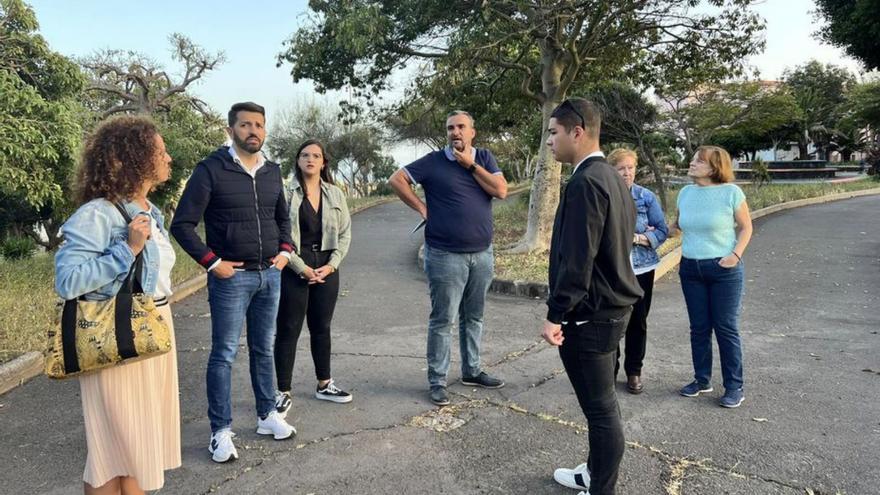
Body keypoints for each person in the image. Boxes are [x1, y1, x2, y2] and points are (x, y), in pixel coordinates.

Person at [55, 115, 180, 494]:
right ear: (135, 158)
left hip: (153, 329)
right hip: (115, 335)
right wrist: (126, 249)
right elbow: (68, 281)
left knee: (137, 451)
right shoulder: (98, 214)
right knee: (111, 454)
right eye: (160, 151)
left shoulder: (150, 212)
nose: (169, 157)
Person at [170, 102, 296, 463]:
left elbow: (281, 218)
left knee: (263, 348)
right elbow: (182, 224)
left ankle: (266, 415)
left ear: (265, 131)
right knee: (224, 354)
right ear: (230, 130)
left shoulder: (272, 171)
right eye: (245, 125)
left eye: (258, 125)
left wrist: (285, 251)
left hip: (269, 274)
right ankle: (220, 431)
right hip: (231, 279)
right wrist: (212, 263)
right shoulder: (211, 170)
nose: (253, 131)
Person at [541, 99, 644, 495]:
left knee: (601, 411)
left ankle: (601, 488)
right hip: (613, 309)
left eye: (554, 132)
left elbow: (577, 259)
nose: (550, 141)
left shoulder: (587, 181)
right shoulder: (612, 177)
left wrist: (556, 313)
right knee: (602, 408)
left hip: (591, 317)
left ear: (577, 132)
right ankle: (595, 474)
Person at [388, 110, 508, 406]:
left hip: (482, 253)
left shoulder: (485, 158)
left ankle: (472, 370)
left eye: (461, 127)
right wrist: (421, 207)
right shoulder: (433, 161)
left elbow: (501, 191)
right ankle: (437, 380)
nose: (455, 132)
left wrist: (471, 166)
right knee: (443, 319)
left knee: (474, 316)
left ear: (472, 132)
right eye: (451, 128)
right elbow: (397, 179)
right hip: (444, 255)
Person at [273, 140, 353, 415]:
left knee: (322, 327)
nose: (310, 159)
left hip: (327, 265)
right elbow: (279, 235)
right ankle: (282, 391)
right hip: (295, 264)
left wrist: (331, 266)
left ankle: (324, 384)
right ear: (297, 161)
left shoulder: (335, 194)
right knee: (288, 328)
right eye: (305, 155)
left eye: (316, 156)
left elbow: (345, 234)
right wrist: (300, 267)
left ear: (323, 162)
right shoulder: (286, 193)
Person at [674, 145, 752, 408]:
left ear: (714, 167)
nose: (692, 163)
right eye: (694, 159)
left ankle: (734, 386)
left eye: (699, 160)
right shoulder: (685, 193)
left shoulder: (731, 192)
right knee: (699, 328)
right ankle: (702, 380)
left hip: (724, 271)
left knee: (725, 327)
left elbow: (746, 227)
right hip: (690, 268)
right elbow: (678, 225)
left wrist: (735, 255)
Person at [608, 148, 669, 394]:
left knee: (638, 321)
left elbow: (662, 231)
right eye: (621, 168)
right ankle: (609, 372)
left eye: (631, 167)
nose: (627, 173)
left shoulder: (646, 197)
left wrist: (638, 238)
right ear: (612, 170)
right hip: (613, 268)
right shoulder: (605, 194)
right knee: (611, 320)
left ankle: (634, 371)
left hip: (642, 268)